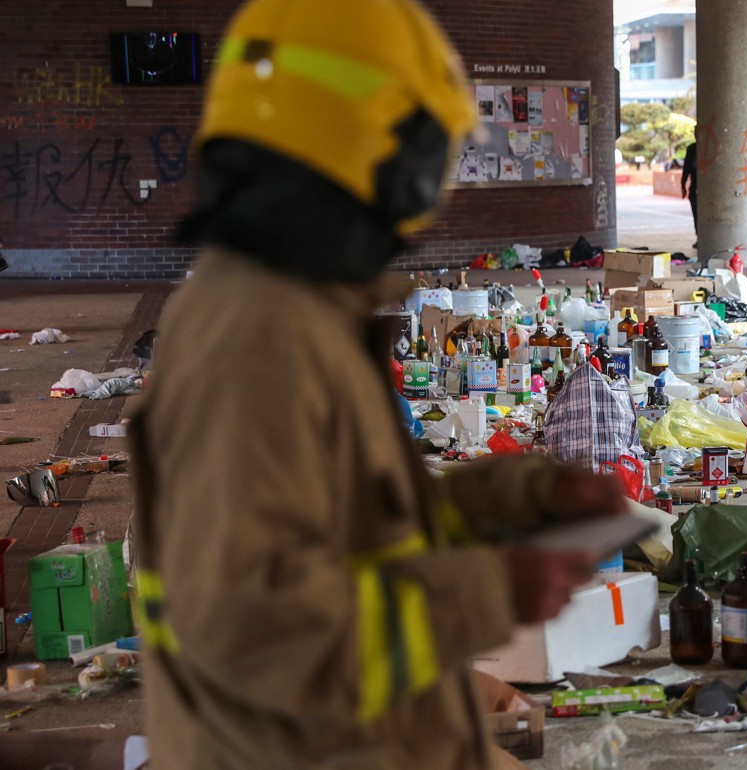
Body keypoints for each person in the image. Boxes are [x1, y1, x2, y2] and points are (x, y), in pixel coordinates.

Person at [127, 1, 624, 768]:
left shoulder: (294, 311)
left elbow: (360, 533)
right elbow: (254, 637)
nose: (422, 207)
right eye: (427, 162)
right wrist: (491, 594)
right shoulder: (256, 344)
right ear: (373, 153)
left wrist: (521, 499)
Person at [680, 141, 698, 246]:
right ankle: (700, 236)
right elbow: (686, 167)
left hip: (704, 187)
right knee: (696, 213)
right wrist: (683, 184)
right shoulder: (692, 148)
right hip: (695, 186)